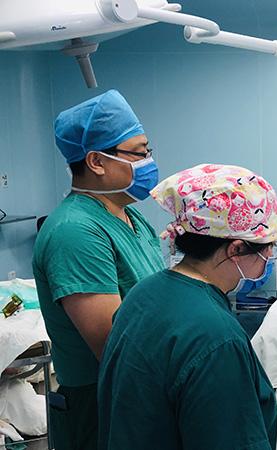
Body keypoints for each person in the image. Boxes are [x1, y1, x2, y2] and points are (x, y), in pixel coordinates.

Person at [98, 163, 277, 450]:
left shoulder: (143, 293)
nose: (270, 256)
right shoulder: (218, 338)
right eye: (269, 246)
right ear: (235, 249)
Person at [32, 90, 165, 450]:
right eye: (139, 153)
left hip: (145, 386)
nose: (149, 162)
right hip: (106, 399)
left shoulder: (130, 215)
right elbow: (114, 348)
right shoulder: (74, 232)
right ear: (97, 161)